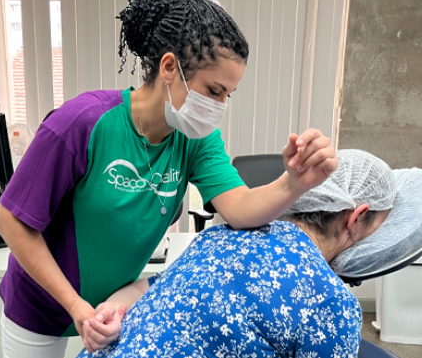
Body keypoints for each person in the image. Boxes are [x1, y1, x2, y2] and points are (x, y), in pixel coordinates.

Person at [0, 0, 338, 356]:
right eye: (213, 91)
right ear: (169, 67)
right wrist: (75, 306)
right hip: (42, 303)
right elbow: (11, 221)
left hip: (111, 306)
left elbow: (239, 208)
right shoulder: (82, 124)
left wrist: (294, 182)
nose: (219, 107)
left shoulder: (195, 140)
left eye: (228, 96)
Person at [76, 149, 396, 356]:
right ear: (355, 218)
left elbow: (142, 288)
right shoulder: (334, 303)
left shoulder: (217, 237)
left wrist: (109, 311)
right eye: (382, 224)